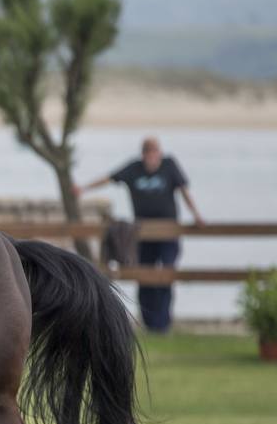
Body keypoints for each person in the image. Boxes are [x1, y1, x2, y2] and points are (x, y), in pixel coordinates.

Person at [74, 137, 205, 333]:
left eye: (155, 153)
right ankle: (149, 321)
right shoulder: (134, 169)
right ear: (143, 155)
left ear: (159, 153)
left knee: (166, 274)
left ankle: (163, 323)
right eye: (148, 154)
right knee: (144, 275)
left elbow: (184, 191)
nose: (152, 158)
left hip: (168, 232)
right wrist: (83, 188)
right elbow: (109, 178)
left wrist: (196, 215)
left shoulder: (170, 166)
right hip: (143, 234)